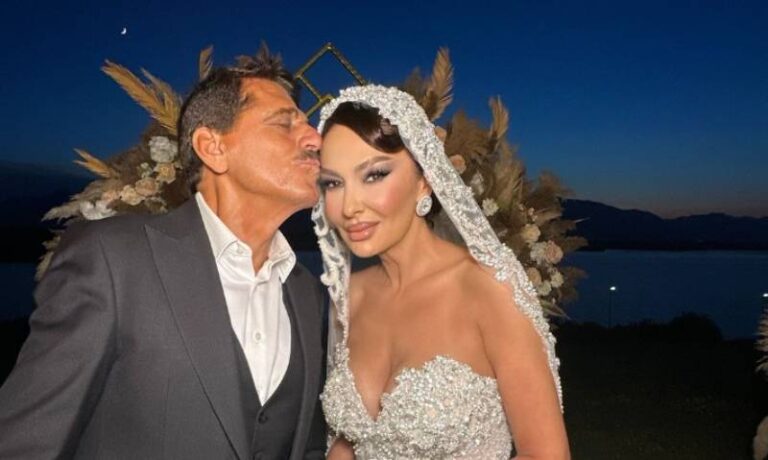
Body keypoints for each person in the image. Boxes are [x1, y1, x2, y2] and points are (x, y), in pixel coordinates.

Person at [0, 47, 327, 459]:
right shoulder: (113, 260)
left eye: (307, 123)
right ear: (212, 147)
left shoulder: (308, 295)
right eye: (284, 122)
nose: (315, 137)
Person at [313, 85, 569, 459]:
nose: (349, 206)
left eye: (374, 175)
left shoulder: (489, 289)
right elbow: (347, 444)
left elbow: (545, 455)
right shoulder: (350, 297)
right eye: (333, 183)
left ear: (424, 180)